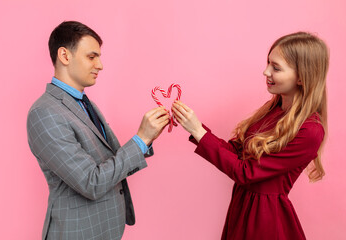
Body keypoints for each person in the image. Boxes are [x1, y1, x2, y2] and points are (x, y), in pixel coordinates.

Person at [172, 32, 329, 239]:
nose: (266, 72)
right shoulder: (274, 108)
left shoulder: (310, 130)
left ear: (301, 76)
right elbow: (237, 153)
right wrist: (194, 126)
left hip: (264, 221)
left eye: (276, 67)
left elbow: (246, 172)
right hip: (242, 208)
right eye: (268, 63)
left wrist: (199, 133)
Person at [27, 21, 169, 240]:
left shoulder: (83, 103)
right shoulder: (45, 112)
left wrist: (147, 139)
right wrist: (140, 139)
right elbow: (90, 181)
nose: (100, 65)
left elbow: (111, 163)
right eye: (92, 57)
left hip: (104, 230)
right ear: (64, 56)